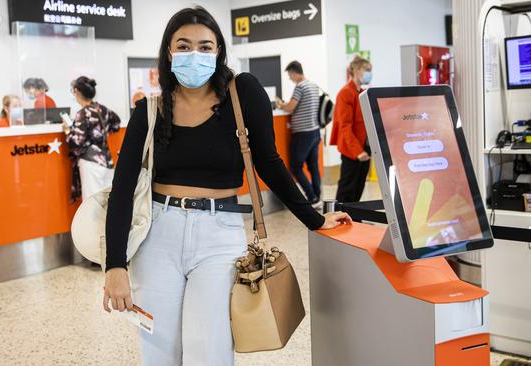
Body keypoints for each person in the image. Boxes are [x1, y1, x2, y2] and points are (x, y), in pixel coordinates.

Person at [102, 7, 351, 366]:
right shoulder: (150, 111)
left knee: (211, 350)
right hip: (157, 234)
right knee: (158, 350)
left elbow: (269, 161)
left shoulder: (242, 92)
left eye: (206, 47)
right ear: (169, 53)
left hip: (219, 235)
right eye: (184, 46)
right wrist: (115, 265)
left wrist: (313, 218)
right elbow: (122, 188)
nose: (196, 55)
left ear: (219, 51)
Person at [64, 76, 120, 202]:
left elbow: (76, 143)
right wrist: (101, 134)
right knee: (107, 202)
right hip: (107, 161)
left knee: (91, 204)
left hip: (91, 164)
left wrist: (68, 131)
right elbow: (116, 123)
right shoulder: (102, 109)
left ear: (77, 92)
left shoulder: (83, 113)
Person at [276, 60, 322, 205]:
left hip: (303, 133)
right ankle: (317, 195)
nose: (290, 78)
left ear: (295, 73)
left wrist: (280, 104)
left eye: (290, 75)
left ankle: (311, 197)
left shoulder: (300, 87)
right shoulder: (314, 86)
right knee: (313, 165)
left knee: (295, 167)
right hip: (315, 132)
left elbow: (290, 107)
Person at [330, 55, 373, 202]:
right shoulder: (346, 93)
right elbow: (345, 126)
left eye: (370, 70)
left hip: (364, 147)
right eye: (367, 70)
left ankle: (354, 217)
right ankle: (342, 218)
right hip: (352, 150)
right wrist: (357, 151)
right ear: (356, 70)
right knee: (347, 188)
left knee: (359, 187)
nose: (369, 73)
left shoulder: (361, 92)